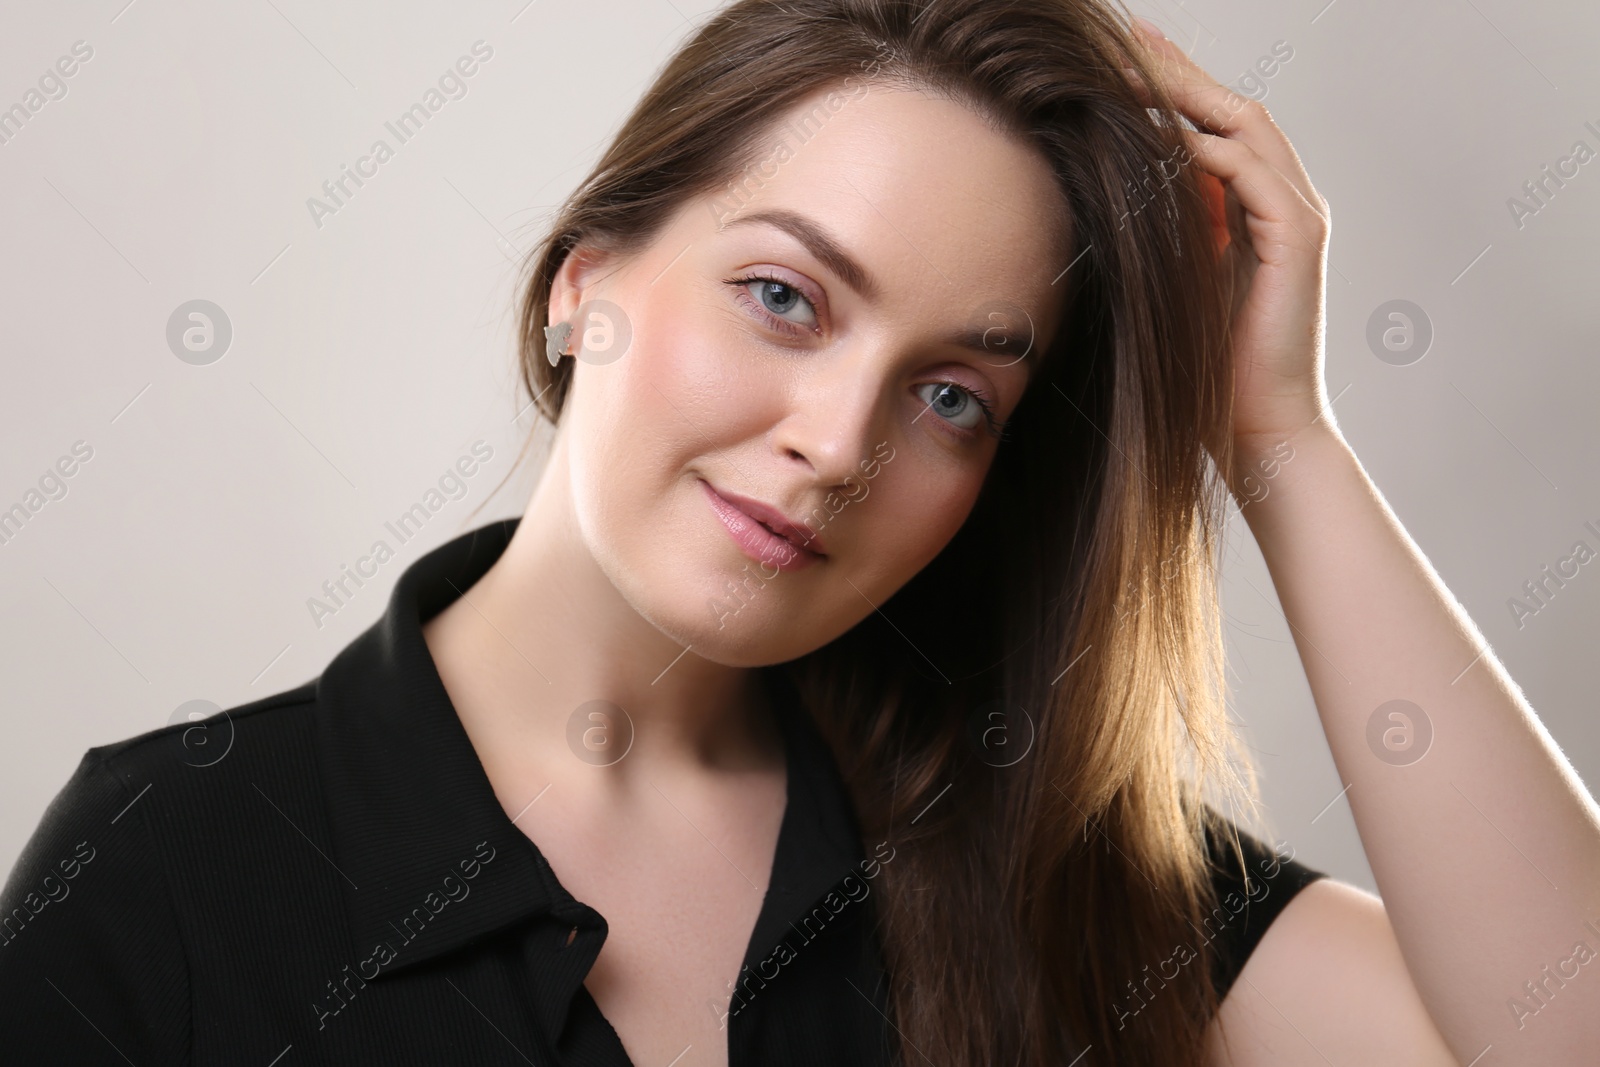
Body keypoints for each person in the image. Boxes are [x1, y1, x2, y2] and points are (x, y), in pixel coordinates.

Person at [3, 1, 1598, 1065]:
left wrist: (1280, 440)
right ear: (587, 281)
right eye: (784, 297)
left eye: (954, 394)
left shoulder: (1020, 858)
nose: (838, 443)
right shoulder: (181, 870)